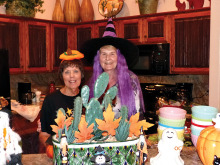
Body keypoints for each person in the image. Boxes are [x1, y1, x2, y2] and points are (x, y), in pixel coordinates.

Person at [80, 18, 145, 119]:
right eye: (104, 54)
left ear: (119, 57)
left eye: (112, 54)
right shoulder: (93, 83)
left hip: (125, 133)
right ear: (98, 58)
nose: (107, 58)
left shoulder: (131, 81)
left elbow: (137, 115)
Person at [39, 49, 84, 148]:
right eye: (67, 72)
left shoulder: (88, 99)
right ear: (62, 76)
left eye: (76, 71)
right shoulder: (50, 100)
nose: (72, 76)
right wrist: (52, 150)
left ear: (81, 74)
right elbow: (44, 134)